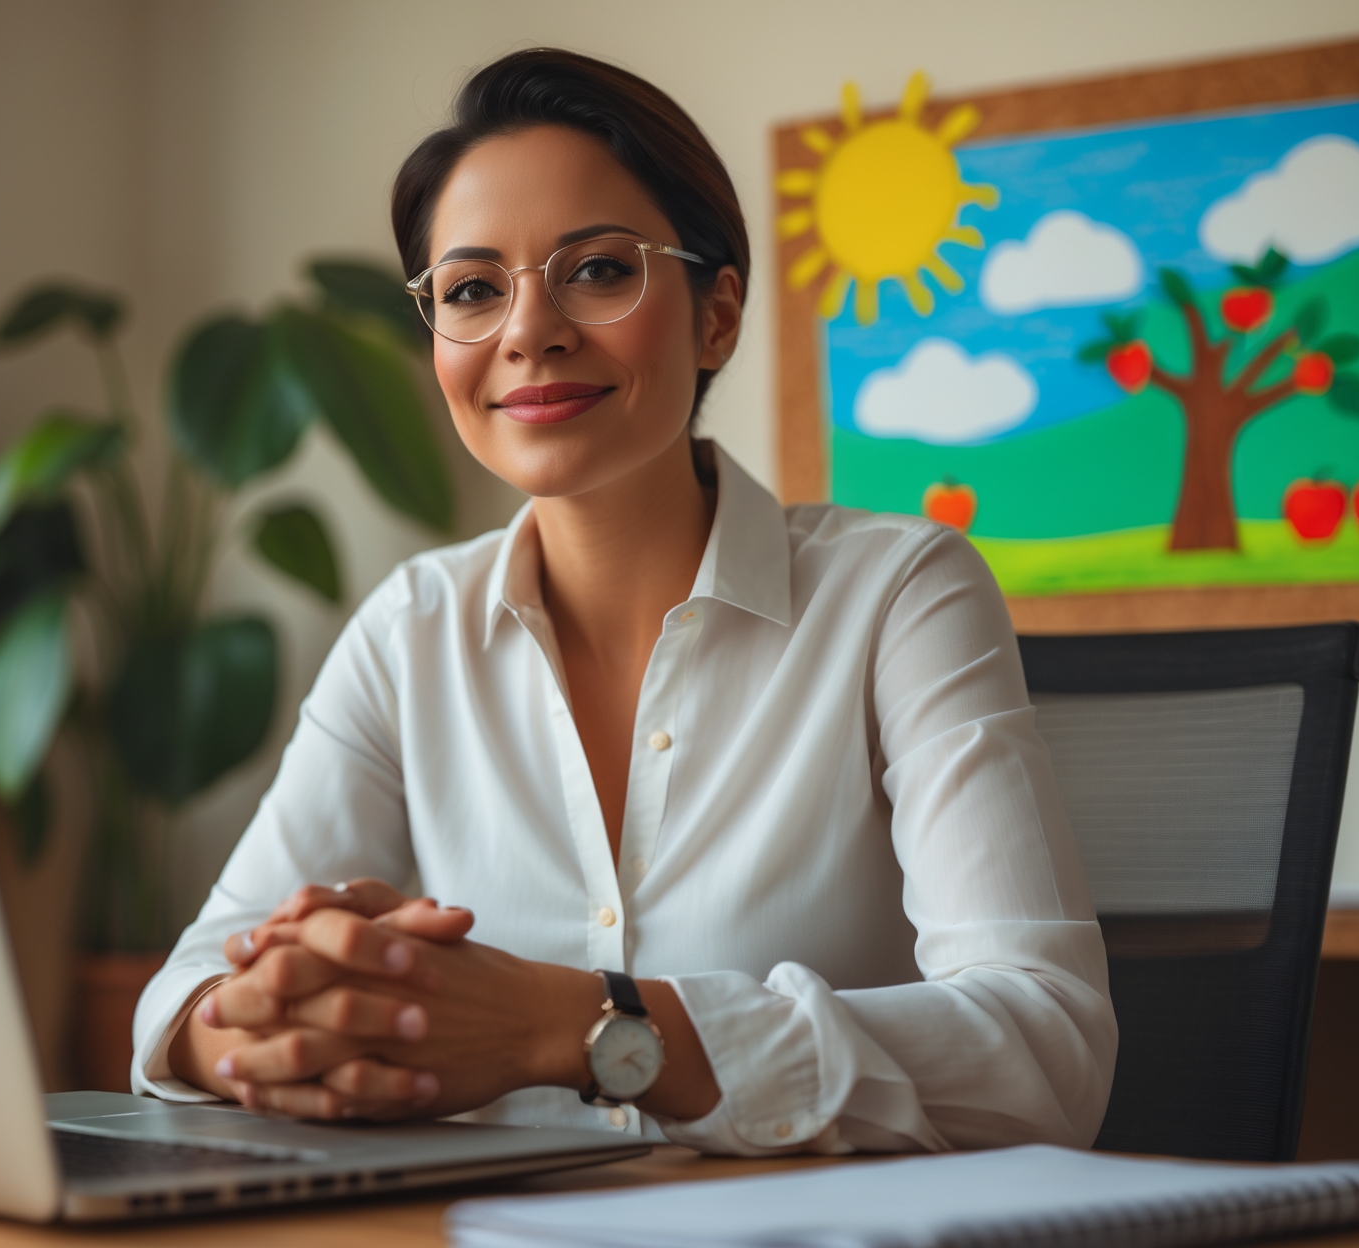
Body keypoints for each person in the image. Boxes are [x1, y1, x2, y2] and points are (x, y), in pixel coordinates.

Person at [128, 48, 1116, 1156]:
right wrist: (273, 1026)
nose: (527, 330)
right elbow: (187, 993)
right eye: (470, 289)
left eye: (598, 271)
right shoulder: (411, 630)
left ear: (716, 317)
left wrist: (574, 1028)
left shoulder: (898, 594)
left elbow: (1045, 1054)